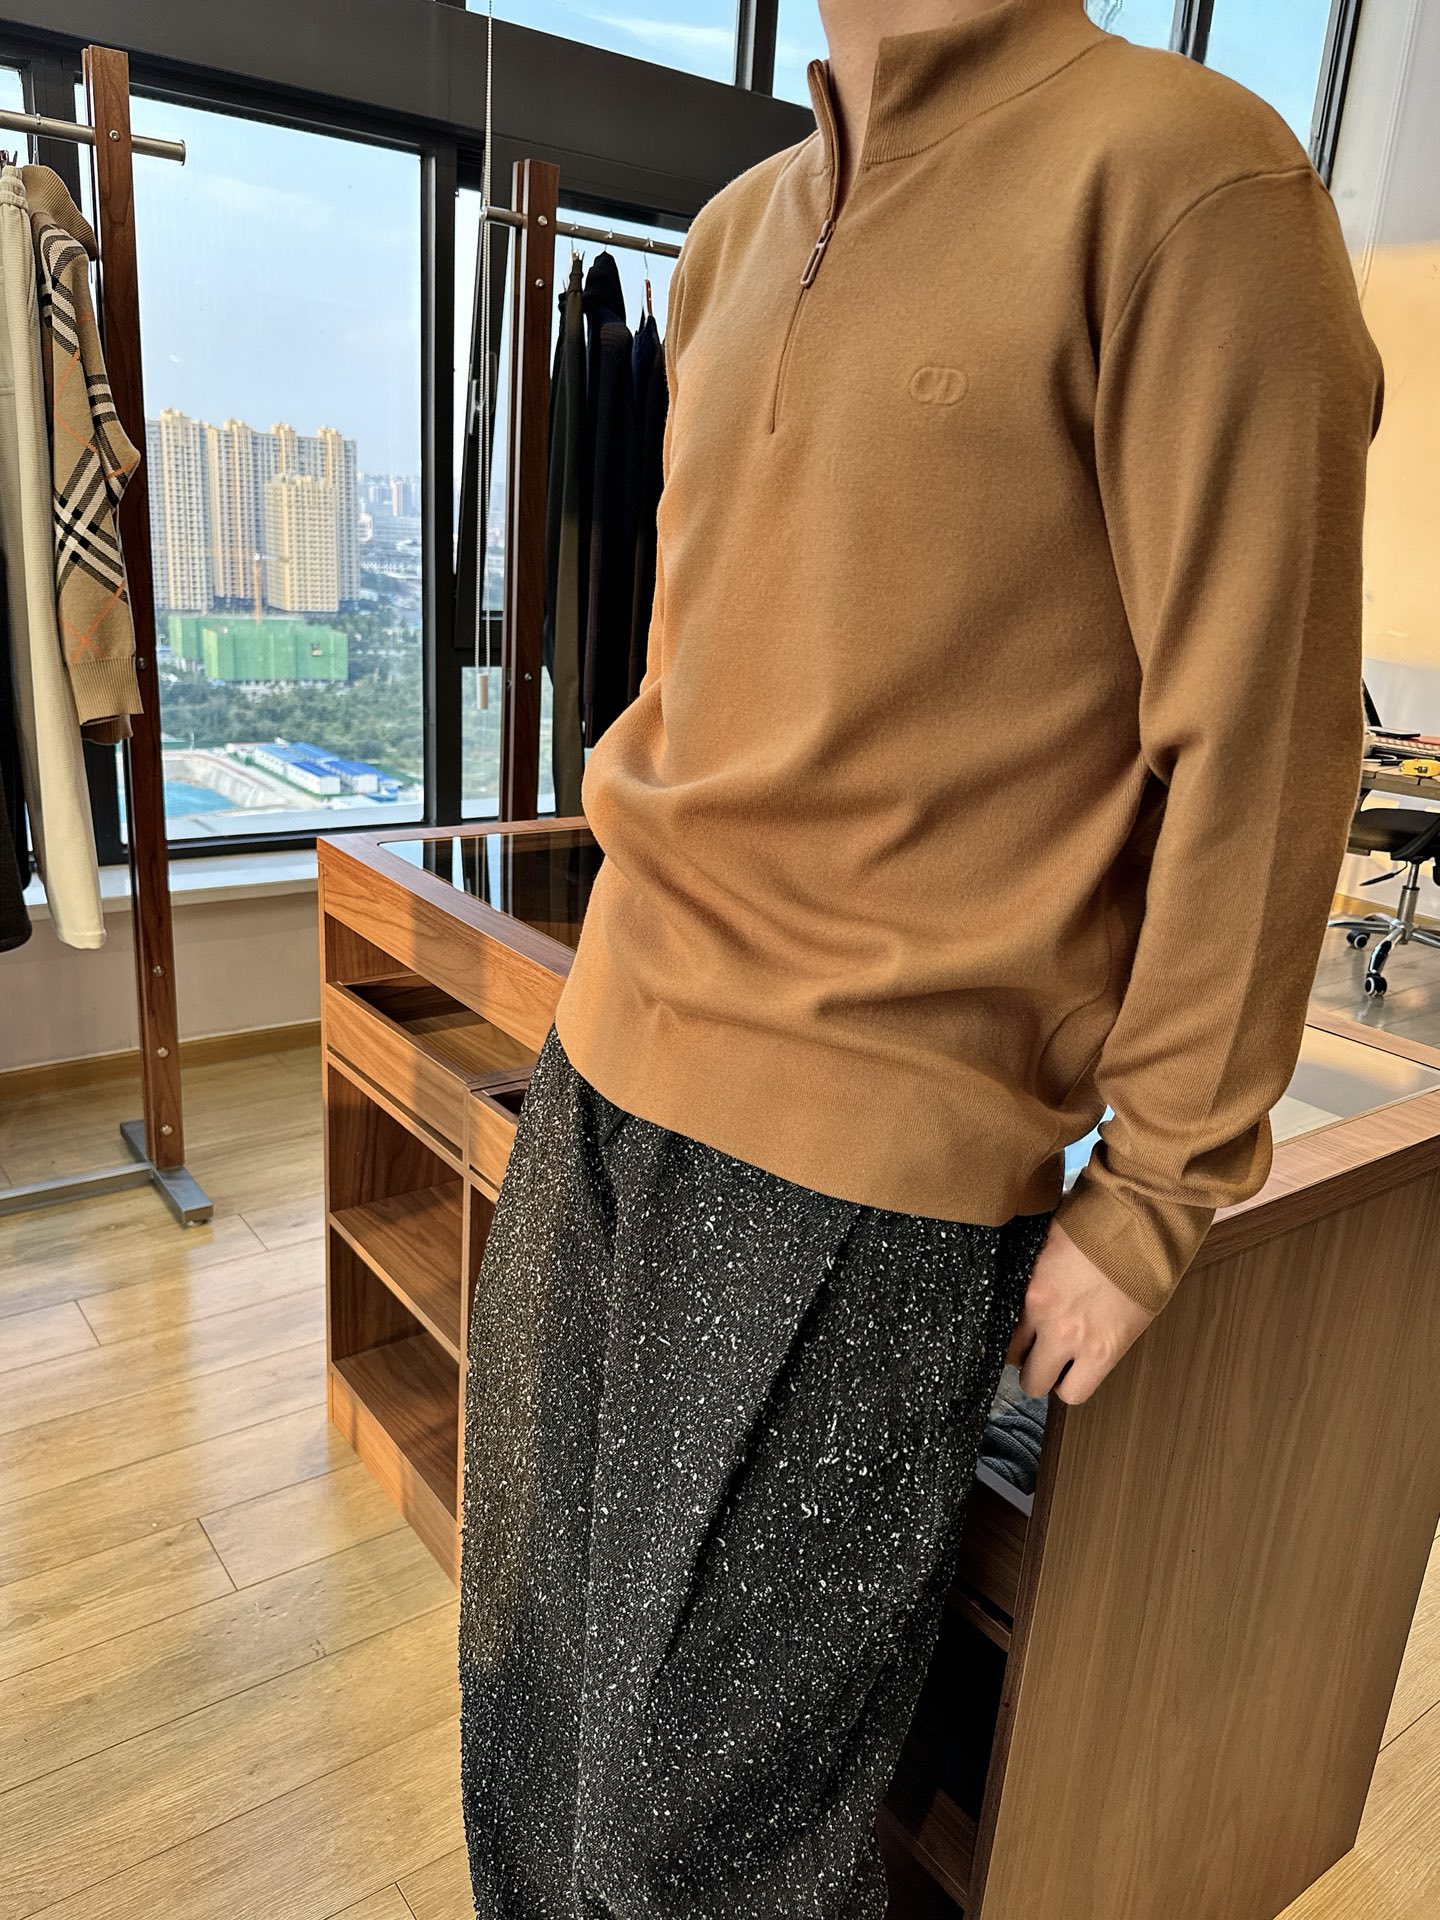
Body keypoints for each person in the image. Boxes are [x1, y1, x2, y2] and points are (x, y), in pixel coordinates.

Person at [458, 1, 1384, 1913]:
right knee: (527, 1716)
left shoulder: (1191, 184)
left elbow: (1269, 737)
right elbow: (696, 668)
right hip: (604, 1065)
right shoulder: (734, 233)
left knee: (696, 1842)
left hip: (870, 1155)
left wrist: (1159, 1184)